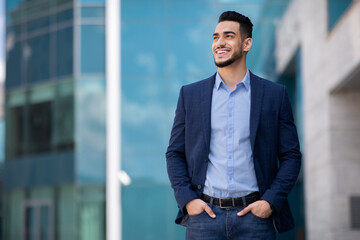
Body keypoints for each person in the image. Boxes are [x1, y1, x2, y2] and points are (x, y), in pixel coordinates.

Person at [166, 11, 301, 240]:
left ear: (247, 43)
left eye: (228, 36)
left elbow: (291, 156)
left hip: (255, 219)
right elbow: (174, 153)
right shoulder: (190, 95)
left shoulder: (274, 95)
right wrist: (188, 200)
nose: (219, 43)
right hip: (204, 220)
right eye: (215, 37)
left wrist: (269, 202)